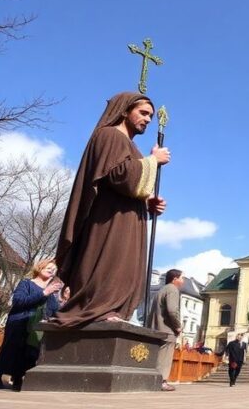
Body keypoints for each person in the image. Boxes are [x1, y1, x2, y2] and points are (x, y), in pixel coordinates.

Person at [53, 92, 170, 327]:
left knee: (124, 267)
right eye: (143, 113)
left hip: (125, 217)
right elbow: (119, 175)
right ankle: (98, 308)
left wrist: (146, 201)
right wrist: (153, 161)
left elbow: (126, 182)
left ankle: (112, 309)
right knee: (110, 263)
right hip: (109, 220)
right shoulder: (109, 135)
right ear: (125, 110)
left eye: (150, 115)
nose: (148, 119)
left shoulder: (129, 145)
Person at [0, 259, 62, 391]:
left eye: (54, 269)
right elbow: (18, 301)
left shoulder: (52, 291)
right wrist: (44, 293)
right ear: (39, 268)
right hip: (20, 322)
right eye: (48, 267)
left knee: (30, 352)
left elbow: (54, 310)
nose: (52, 270)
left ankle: (18, 378)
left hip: (37, 326)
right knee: (11, 349)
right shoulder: (27, 284)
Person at [147, 269, 185, 392]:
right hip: (167, 329)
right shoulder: (172, 289)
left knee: (157, 356)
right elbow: (172, 311)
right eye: (182, 278)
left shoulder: (161, 290)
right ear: (175, 279)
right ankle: (162, 381)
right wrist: (177, 326)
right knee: (165, 357)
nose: (183, 281)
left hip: (156, 328)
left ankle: (153, 380)